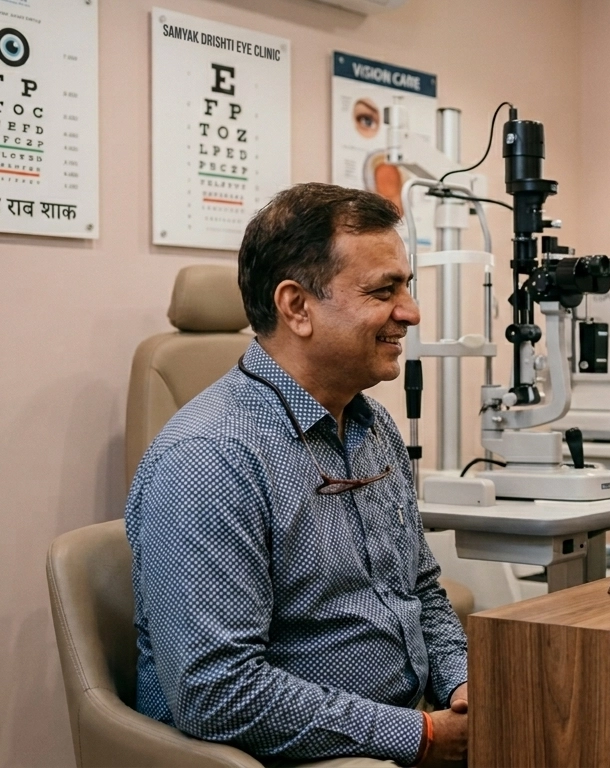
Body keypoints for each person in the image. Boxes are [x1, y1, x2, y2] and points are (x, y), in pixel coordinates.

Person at [125, 183, 467, 767]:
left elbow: (422, 591)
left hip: (403, 729)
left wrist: (462, 687)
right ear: (297, 307)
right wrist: (419, 737)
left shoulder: (371, 425)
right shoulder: (211, 457)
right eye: (384, 290)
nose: (411, 312)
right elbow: (217, 692)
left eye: (406, 287)